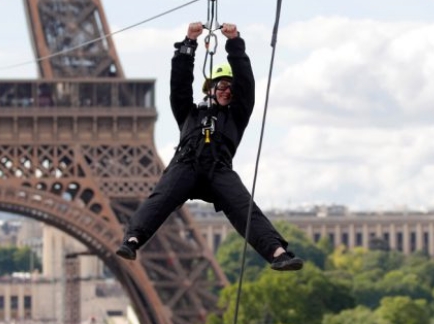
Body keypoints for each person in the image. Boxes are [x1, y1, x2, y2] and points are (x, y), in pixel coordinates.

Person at [116, 21, 303, 271]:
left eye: (231, 88)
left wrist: (234, 42)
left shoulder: (237, 115)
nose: (228, 91)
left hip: (218, 169)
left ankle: (278, 253)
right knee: (159, 200)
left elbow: (246, 84)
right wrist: (188, 45)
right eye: (223, 86)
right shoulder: (189, 114)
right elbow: (179, 86)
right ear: (211, 88)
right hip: (186, 165)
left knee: (244, 209)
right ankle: (132, 240)